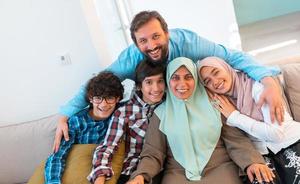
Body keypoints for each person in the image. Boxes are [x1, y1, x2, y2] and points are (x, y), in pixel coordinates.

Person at [53, 10, 284, 152]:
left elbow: (232, 56)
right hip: (157, 113)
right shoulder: (130, 58)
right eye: (143, 40)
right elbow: (99, 83)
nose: (151, 45)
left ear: (167, 33)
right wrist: (65, 115)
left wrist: (269, 81)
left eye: (156, 36)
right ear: (135, 43)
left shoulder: (188, 41)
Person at [120, 57, 274, 184]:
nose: (182, 84)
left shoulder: (216, 104)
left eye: (188, 77)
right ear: (168, 81)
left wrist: (252, 162)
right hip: (178, 173)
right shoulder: (160, 114)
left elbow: (236, 140)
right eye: (175, 78)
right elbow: (153, 152)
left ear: (196, 79)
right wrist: (141, 175)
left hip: (219, 167)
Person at [197, 56, 300, 184]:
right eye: (207, 81)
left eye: (216, 72)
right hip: (262, 157)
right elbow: (234, 140)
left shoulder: (257, 86)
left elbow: (277, 134)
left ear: (227, 69)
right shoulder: (221, 103)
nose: (214, 82)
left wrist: (234, 116)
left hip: (293, 143)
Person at [88, 59, 165, 184]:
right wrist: (98, 182)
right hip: (125, 169)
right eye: (149, 82)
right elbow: (108, 146)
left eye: (160, 81)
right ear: (139, 86)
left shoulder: (168, 107)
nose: (156, 88)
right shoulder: (124, 111)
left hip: (152, 170)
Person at [43, 71, 124, 184]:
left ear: (118, 98)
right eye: (98, 98)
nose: (103, 104)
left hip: (105, 177)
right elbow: (58, 155)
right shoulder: (77, 121)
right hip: (76, 177)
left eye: (110, 98)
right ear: (90, 99)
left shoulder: (122, 114)